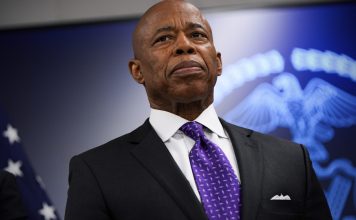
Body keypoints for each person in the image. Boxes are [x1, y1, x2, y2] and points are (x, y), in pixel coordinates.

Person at [65, 0, 332, 219]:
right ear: (137, 71)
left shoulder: (290, 160)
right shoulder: (97, 172)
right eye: (164, 38)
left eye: (197, 35)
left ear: (217, 63)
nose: (184, 45)